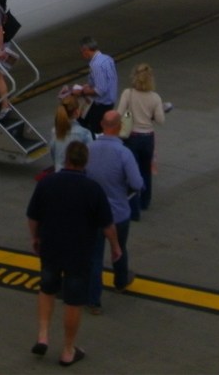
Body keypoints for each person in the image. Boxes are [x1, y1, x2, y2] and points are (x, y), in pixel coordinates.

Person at [27, 140, 121, 367]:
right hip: (78, 253)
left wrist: (36, 238)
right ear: (85, 162)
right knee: (73, 301)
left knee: (47, 289)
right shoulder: (93, 189)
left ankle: (43, 336)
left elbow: (32, 216)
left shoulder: (47, 183)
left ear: (66, 159)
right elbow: (107, 225)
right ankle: (68, 350)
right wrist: (116, 247)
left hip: (50, 247)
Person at [86, 111, 144, 313]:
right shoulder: (124, 153)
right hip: (118, 213)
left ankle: (94, 300)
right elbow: (137, 183)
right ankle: (120, 281)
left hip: (93, 214)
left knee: (94, 257)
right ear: (119, 127)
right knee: (119, 248)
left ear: (102, 125)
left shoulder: (89, 148)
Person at [116, 63, 166, 220]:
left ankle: (133, 206)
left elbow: (119, 113)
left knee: (132, 172)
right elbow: (161, 120)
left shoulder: (128, 93)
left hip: (132, 137)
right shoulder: (155, 97)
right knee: (146, 171)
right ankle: (145, 201)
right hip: (147, 138)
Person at [75, 37, 118, 136]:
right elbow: (107, 80)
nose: (82, 54)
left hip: (101, 104)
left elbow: (100, 90)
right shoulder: (107, 58)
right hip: (109, 101)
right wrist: (90, 85)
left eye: (82, 52)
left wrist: (82, 92)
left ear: (86, 50)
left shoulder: (96, 65)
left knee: (89, 128)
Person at [49, 93, 93, 172]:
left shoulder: (55, 131)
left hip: (59, 173)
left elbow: (53, 153)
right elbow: (90, 157)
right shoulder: (84, 133)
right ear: (77, 112)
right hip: (78, 174)